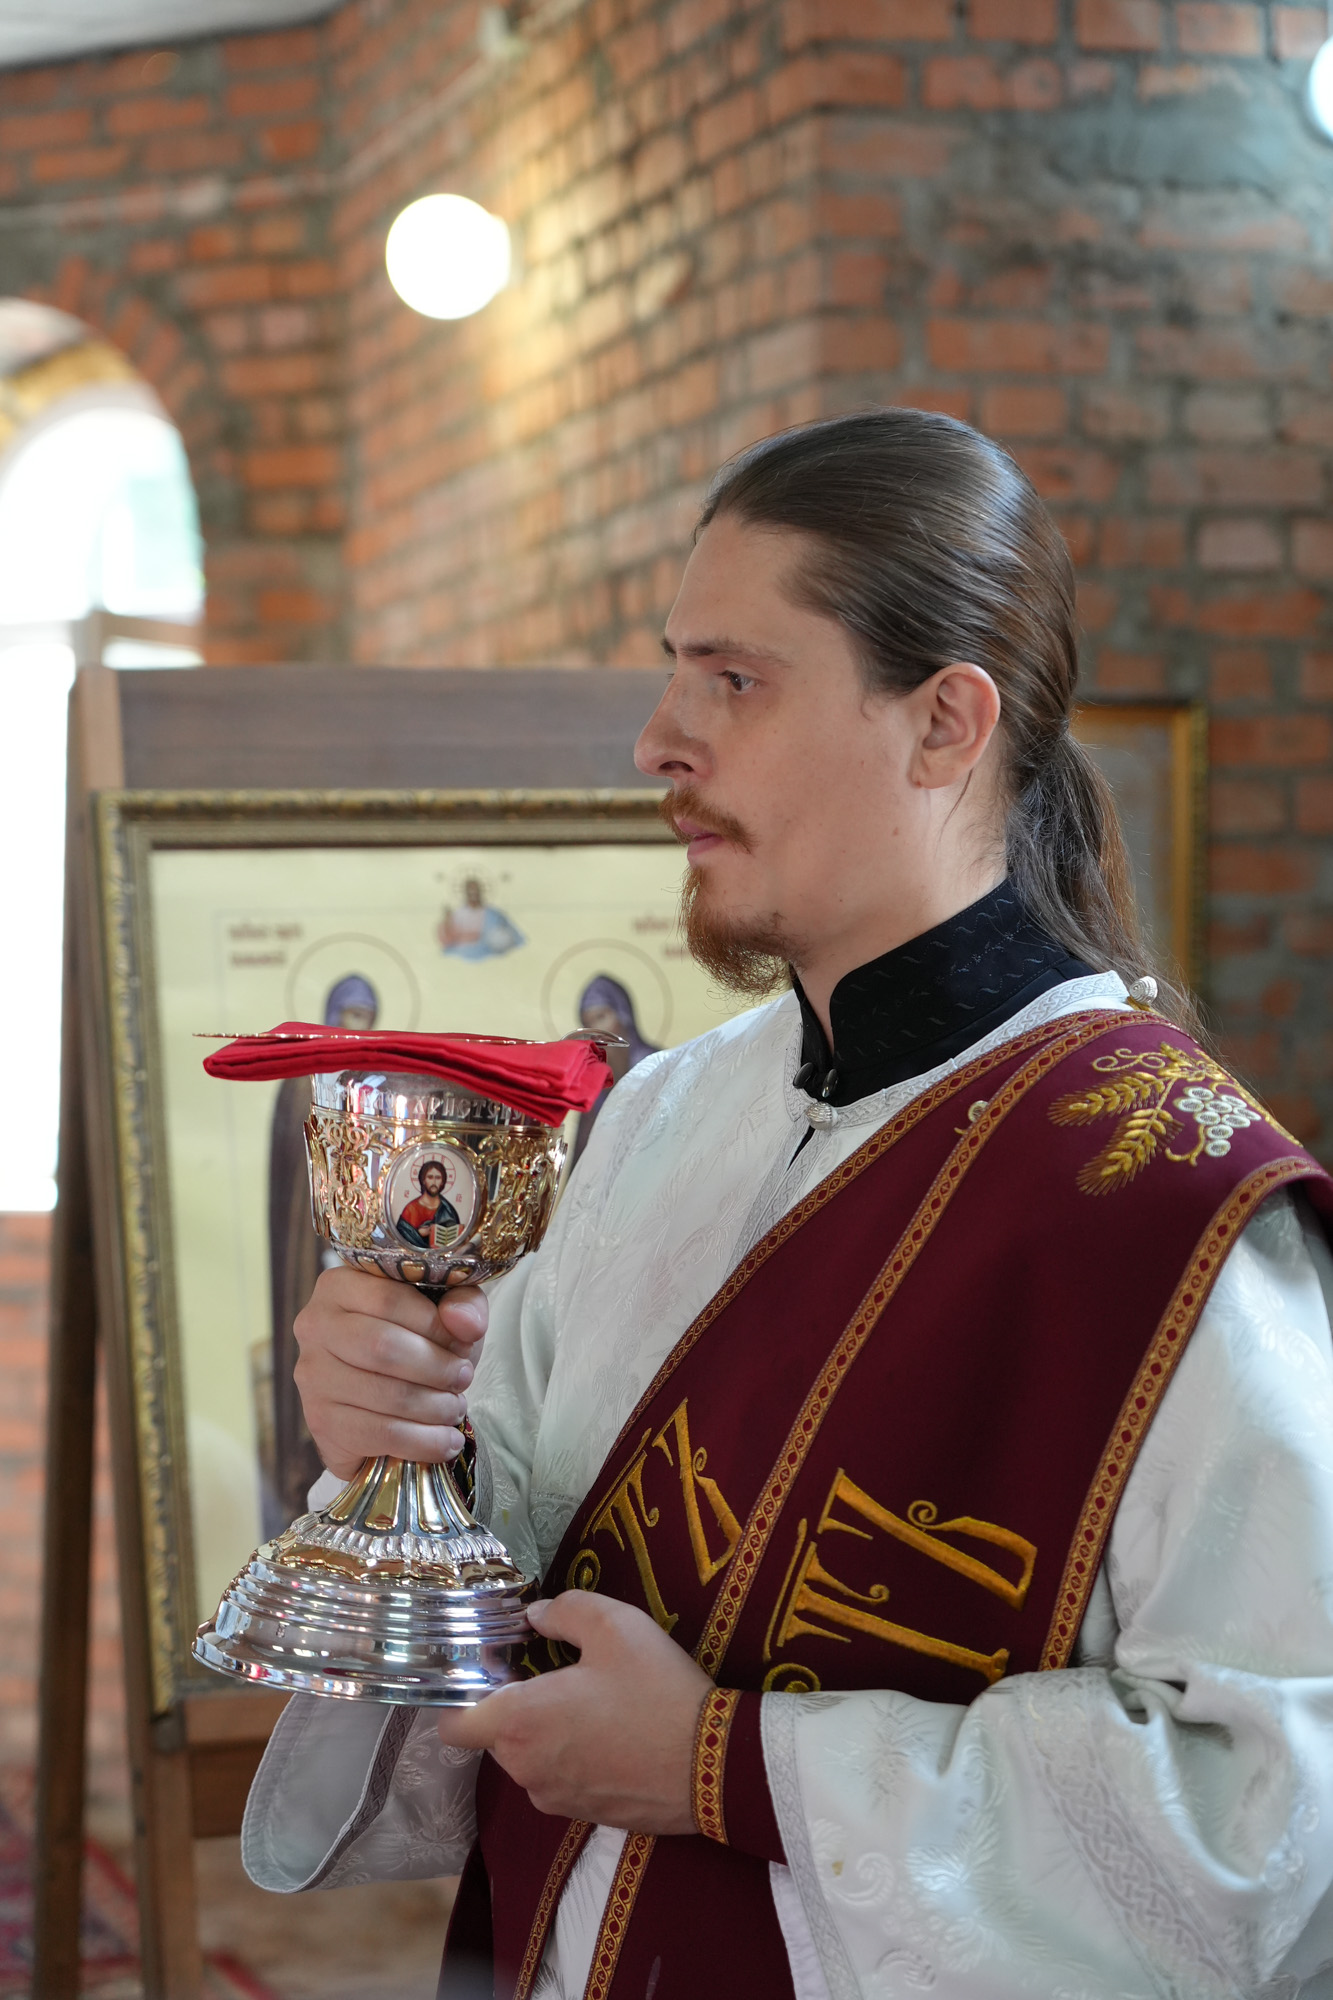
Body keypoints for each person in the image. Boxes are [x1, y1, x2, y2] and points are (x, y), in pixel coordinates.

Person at [241, 411, 1333, 2000]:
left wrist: (722, 1764)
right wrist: (404, 1452)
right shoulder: (661, 1116)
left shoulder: (1175, 1210)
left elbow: (1268, 1825)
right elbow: (527, 1553)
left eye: (735, 681)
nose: (659, 742)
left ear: (944, 724)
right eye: (674, 672)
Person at [264, 971, 377, 1535]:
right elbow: (292, 1175)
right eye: (349, 1016)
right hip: (309, 1246)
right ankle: (302, 1473)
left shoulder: (377, 1082)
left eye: (365, 1019)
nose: (355, 1028)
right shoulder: (300, 1082)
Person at [570, 974, 660, 1165]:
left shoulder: (658, 1065)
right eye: (588, 1024)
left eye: (601, 1017)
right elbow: (581, 1161)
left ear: (623, 1014)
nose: (596, 1032)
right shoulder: (596, 1084)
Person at [396, 1159, 463, 1249]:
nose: (434, 1182)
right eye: (430, 1177)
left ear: (442, 1182)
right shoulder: (411, 1209)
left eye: (438, 1178)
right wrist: (418, 1234)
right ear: (423, 1180)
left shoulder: (448, 1210)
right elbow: (402, 1234)